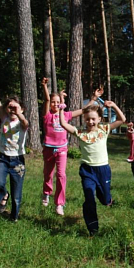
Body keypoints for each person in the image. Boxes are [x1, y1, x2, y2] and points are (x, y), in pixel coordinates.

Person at [59, 101, 126, 236]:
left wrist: (113, 106)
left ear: (99, 119)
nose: (90, 121)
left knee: (105, 199)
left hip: (103, 170)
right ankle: (93, 228)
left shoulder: (104, 129)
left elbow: (122, 120)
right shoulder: (80, 133)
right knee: (89, 198)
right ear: (84, 119)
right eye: (88, 119)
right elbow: (64, 124)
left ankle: (107, 200)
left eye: (93, 119)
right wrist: (61, 109)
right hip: (87, 171)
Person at [0, 64, 30, 222]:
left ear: (21, 109)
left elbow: (26, 124)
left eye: (15, 107)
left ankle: (14, 218)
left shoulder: (22, 123)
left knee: (17, 193)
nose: (11, 109)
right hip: (3, 158)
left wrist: (19, 112)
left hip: (18, 160)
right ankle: (3, 195)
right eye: (9, 107)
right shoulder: (4, 118)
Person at [40, 78, 84, 216]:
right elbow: (47, 100)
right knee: (48, 174)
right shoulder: (47, 115)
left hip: (62, 149)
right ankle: (47, 193)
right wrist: (45, 87)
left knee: (61, 175)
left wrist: (94, 99)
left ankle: (59, 204)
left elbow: (82, 110)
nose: (55, 104)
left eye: (58, 102)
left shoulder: (65, 115)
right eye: (54, 102)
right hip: (48, 148)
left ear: (61, 103)